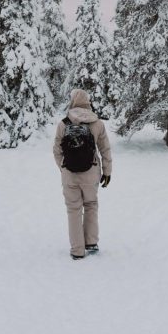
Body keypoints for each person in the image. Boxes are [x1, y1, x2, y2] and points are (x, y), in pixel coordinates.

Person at [54, 89, 112, 260]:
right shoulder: (97, 123)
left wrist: (64, 168)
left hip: (69, 175)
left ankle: (77, 250)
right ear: (87, 102)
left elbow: (56, 150)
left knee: (73, 210)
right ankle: (91, 243)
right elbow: (105, 150)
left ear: (72, 102)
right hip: (91, 172)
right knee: (91, 205)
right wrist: (107, 172)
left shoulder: (64, 124)